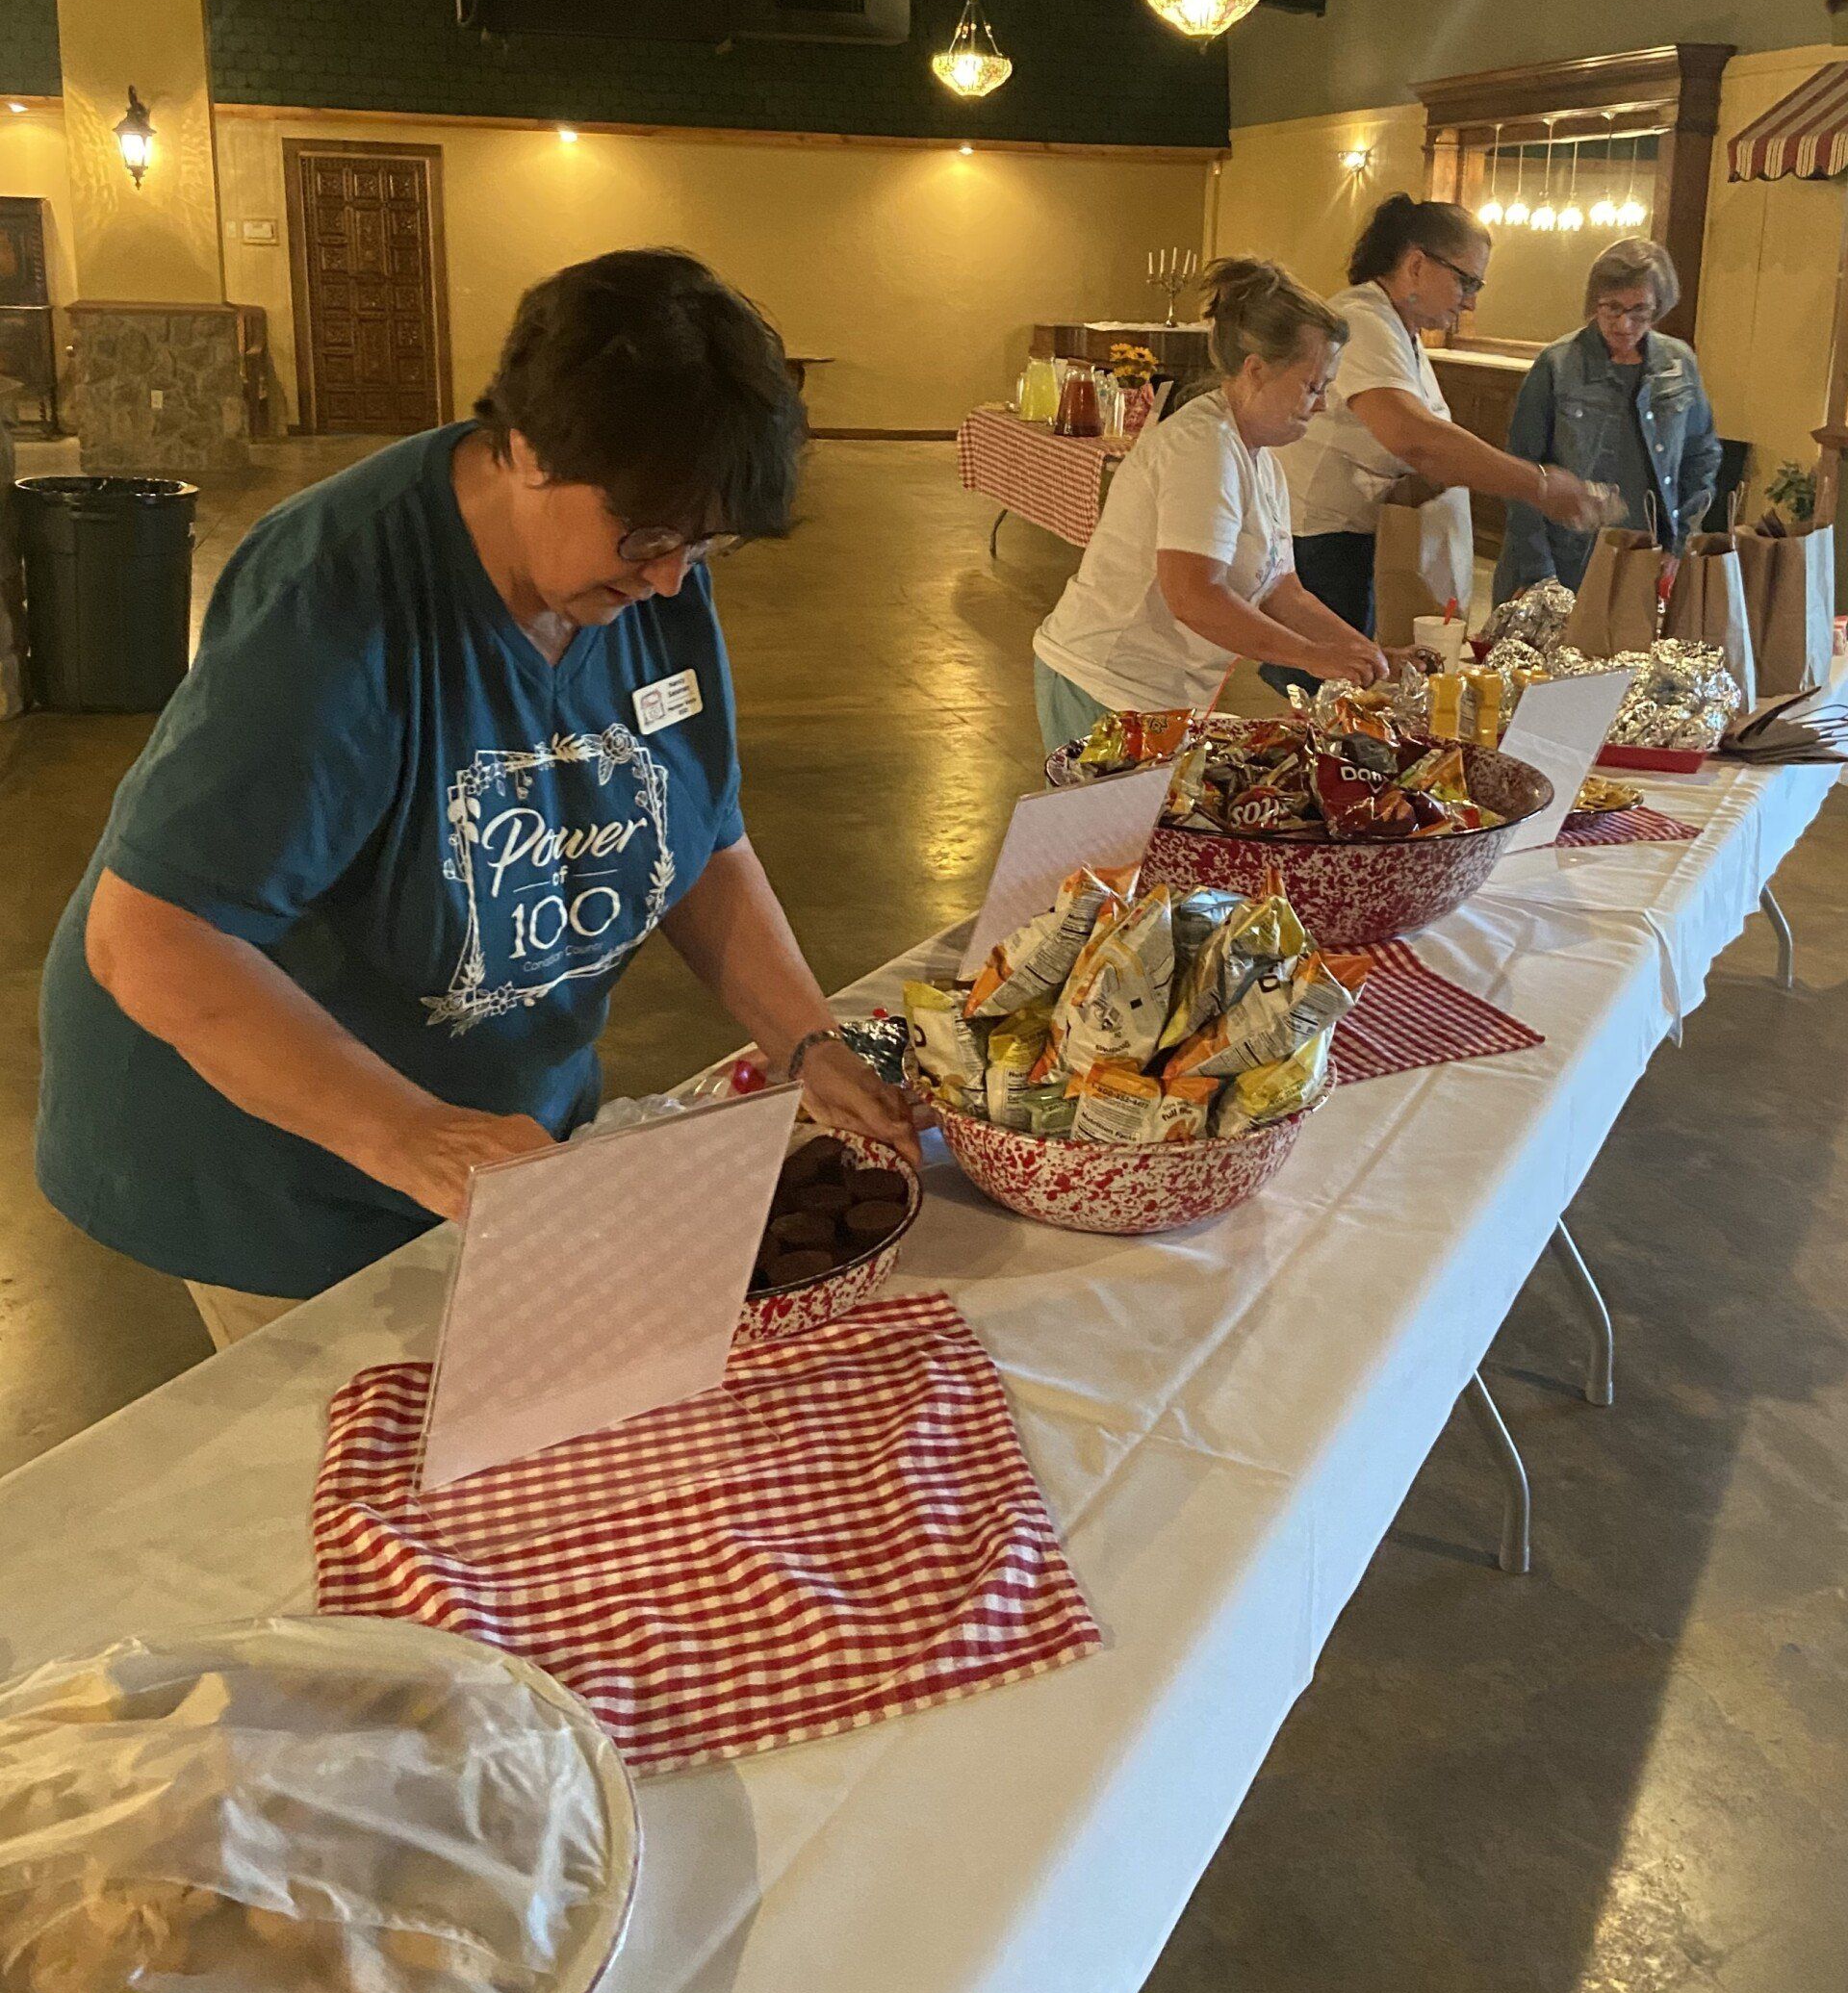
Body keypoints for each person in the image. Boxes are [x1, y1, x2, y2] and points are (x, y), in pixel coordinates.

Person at [36, 248, 916, 1349]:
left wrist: (807, 1044)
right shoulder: (339, 598)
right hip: (282, 1150)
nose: (669, 581)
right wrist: (413, 1134)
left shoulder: (645, 575)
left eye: (706, 545)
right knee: (364, 1473)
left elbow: (700, 835)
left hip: (485, 1124)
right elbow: (153, 938)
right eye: (648, 536)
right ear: (530, 447)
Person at [1031, 256, 1389, 752]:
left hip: (1158, 696)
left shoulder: (1259, 456)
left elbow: (1285, 592)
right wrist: (1311, 657)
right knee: (1113, 832)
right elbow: (1195, 597)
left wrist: (1368, 655)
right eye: (1312, 387)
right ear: (1256, 371)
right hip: (1105, 684)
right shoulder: (1204, 446)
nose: (1323, 404)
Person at [1282, 193, 1605, 646]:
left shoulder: (1400, 329)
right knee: (1331, 687)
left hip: (1358, 536)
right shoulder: (1362, 320)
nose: (1470, 303)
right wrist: (1539, 485)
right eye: (1467, 282)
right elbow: (1414, 438)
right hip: (1325, 542)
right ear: (1416, 265)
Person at [1495, 237, 1722, 601]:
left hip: (1645, 558)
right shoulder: (1557, 364)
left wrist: (1679, 544)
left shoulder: (1678, 363)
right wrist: (1539, 574)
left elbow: (1702, 457)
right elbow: (1521, 474)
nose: (1625, 323)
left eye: (1640, 311)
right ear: (1593, 303)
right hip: (1564, 558)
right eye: (1612, 308)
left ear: (1658, 308)